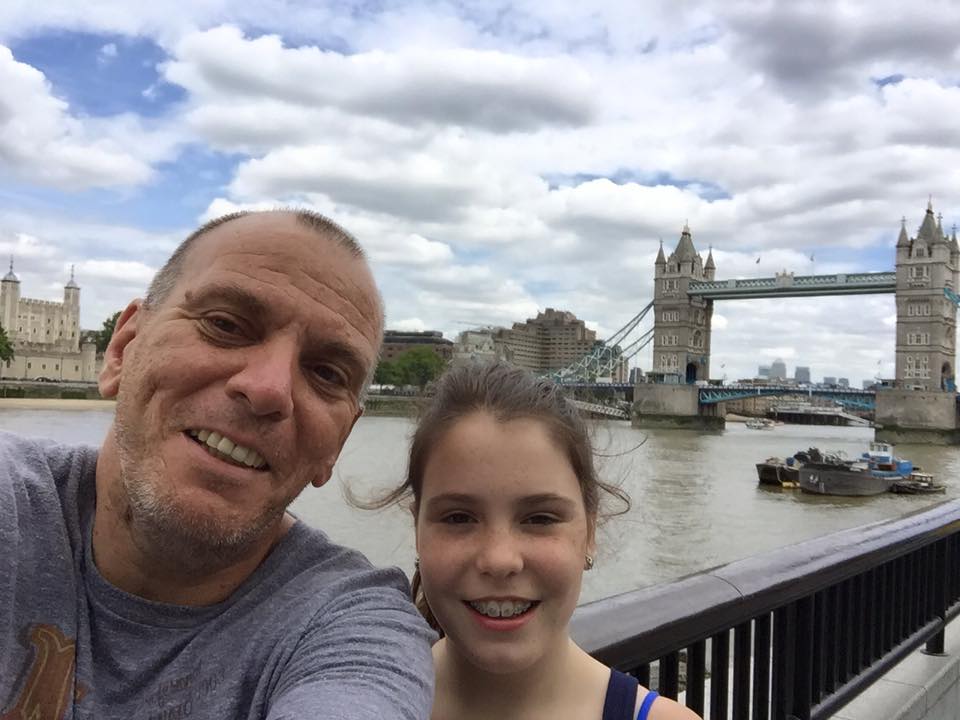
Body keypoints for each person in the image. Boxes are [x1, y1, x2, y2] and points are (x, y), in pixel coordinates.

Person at [0, 210, 435, 719]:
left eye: (325, 372)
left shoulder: (355, 630)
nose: (268, 389)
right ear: (121, 350)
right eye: (225, 325)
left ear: (336, 445)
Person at [378, 361, 700, 720]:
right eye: (458, 518)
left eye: (539, 519)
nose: (500, 559)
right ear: (417, 531)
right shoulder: (360, 707)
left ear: (590, 533)